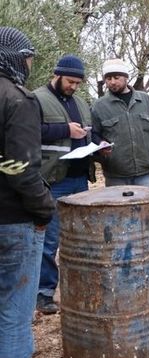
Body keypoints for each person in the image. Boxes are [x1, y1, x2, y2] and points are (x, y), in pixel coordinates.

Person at [0, 26, 58, 358]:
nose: (31, 65)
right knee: (15, 310)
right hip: (13, 220)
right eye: (28, 58)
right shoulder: (17, 100)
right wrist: (44, 208)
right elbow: (18, 168)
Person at [33, 54, 93, 314]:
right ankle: (44, 293)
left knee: (81, 238)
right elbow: (30, 131)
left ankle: (79, 288)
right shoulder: (36, 99)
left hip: (80, 180)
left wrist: (98, 145)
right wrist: (65, 130)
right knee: (50, 241)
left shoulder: (80, 102)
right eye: (70, 81)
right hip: (53, 181)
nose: (73, 87)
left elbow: (88, 131)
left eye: (78, 83)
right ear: (56, 75)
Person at [91, 58, 149, 187]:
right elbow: (93, 134)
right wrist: (102, 149)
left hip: (145, 173)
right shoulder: (99, 106)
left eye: (116, 77)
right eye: (108, 79)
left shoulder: (146, 101)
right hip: (115, 175)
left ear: (126, 77)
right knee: (117, 202)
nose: (112, 82)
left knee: (146, 201)